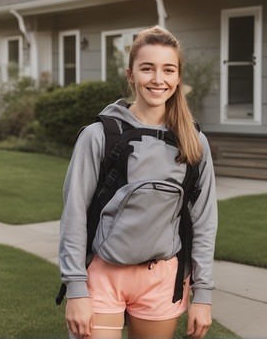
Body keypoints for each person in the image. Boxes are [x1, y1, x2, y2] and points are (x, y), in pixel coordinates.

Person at [59, 25, 218, 339]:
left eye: (168, 70)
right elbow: (74, 214)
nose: (158, 79)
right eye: (148, 69)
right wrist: (76, 289)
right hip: (103, 276)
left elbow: (203, 221)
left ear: (178, 77)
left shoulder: (194, 141)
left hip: (161, 278)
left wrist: (203, 294)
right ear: (130, 74)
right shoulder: (99, 136)